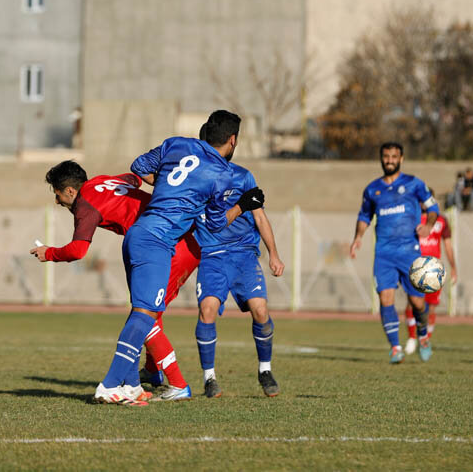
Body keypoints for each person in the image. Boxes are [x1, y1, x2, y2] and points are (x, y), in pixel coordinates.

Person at [91, 110, 264, 406]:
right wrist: (244, 205)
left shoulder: (176, 144)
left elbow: (138, 166)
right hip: (157, 240)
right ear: (232, 140)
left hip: (139, 232)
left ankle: (131, 385)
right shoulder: (221, 172)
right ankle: (109, 384)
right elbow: (214, 224)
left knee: (144, 312)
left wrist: (168, 187)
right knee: (146, 315)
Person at [30, 160, 200, 401]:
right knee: (144, 315)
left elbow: (78, 251)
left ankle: (177, 384)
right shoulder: (101, 181)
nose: (57, 202)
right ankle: (136, 382)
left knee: (144, 317)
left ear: (70, 190)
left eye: (58, 195)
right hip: (173, 241)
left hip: (166, 245)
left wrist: (49, 253)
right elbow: (134, 179)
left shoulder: (84, 204)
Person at [194, 156, 286, 399]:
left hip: (244, 255)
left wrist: (273, 255)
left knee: (261, 310)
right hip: (211, 256)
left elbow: (260, 217)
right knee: (207, 309)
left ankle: (265, 370)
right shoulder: (196, 176)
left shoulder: (244, 176)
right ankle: (209, 378)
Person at [348, 142, 439, 363]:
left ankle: (423, 334)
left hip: (410, 252)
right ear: (381, 158)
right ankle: (395, 347)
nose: (389, 160)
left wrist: (428, 225)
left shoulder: (414, 183)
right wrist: (358, 237)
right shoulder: (372, 189)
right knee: (385, 298)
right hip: (384, 254)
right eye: (386, 156)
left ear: (401, 158)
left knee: (417, 303)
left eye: (394, 156)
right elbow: (364, 216)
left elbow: (434, 208)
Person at [403, 207, 457, 355]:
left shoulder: (442, 220)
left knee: (431, 307)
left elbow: (447, 245)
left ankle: (425, 341)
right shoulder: (412, 218)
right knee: (412, 304)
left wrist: (453, 267)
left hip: (434, 270)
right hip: (415, 267)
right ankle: (412, 338)